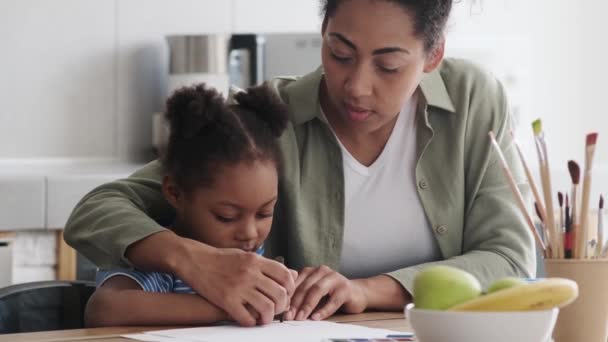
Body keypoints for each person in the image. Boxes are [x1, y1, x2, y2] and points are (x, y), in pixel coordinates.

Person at [65, 0, 535, 327]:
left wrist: (367, 290)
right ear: (323, 33)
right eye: (340, 53)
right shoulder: (265, 115)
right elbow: (99, 209)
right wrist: (197, 262)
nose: (356, 86)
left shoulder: (474, 99)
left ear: (432, 56)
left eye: (387, 66)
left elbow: (511, 259)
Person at [84, 84, 293, 327]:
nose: (250, 233)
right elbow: (104, 309)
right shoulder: (157, 258)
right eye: (227, 217)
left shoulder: (248, 254)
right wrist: (229, 307)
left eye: (264, 213)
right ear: (174, 192)